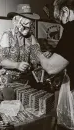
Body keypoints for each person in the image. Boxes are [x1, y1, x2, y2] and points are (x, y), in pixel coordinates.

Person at [33, 0, 74, 129]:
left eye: (60, 18)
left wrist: (39, 54)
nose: (61, 22)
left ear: (65, 11)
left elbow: (51, 67)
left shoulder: (72, 28)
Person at [0, 4, 40, 87]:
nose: (28, 28)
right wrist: (17, 65)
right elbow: (2, 60)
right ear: (16, 21)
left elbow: (37, 56)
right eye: (25, 25)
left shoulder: (31, 37)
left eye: (30, 25)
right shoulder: (7, 36)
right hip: (8, 81)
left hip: (26, 80)